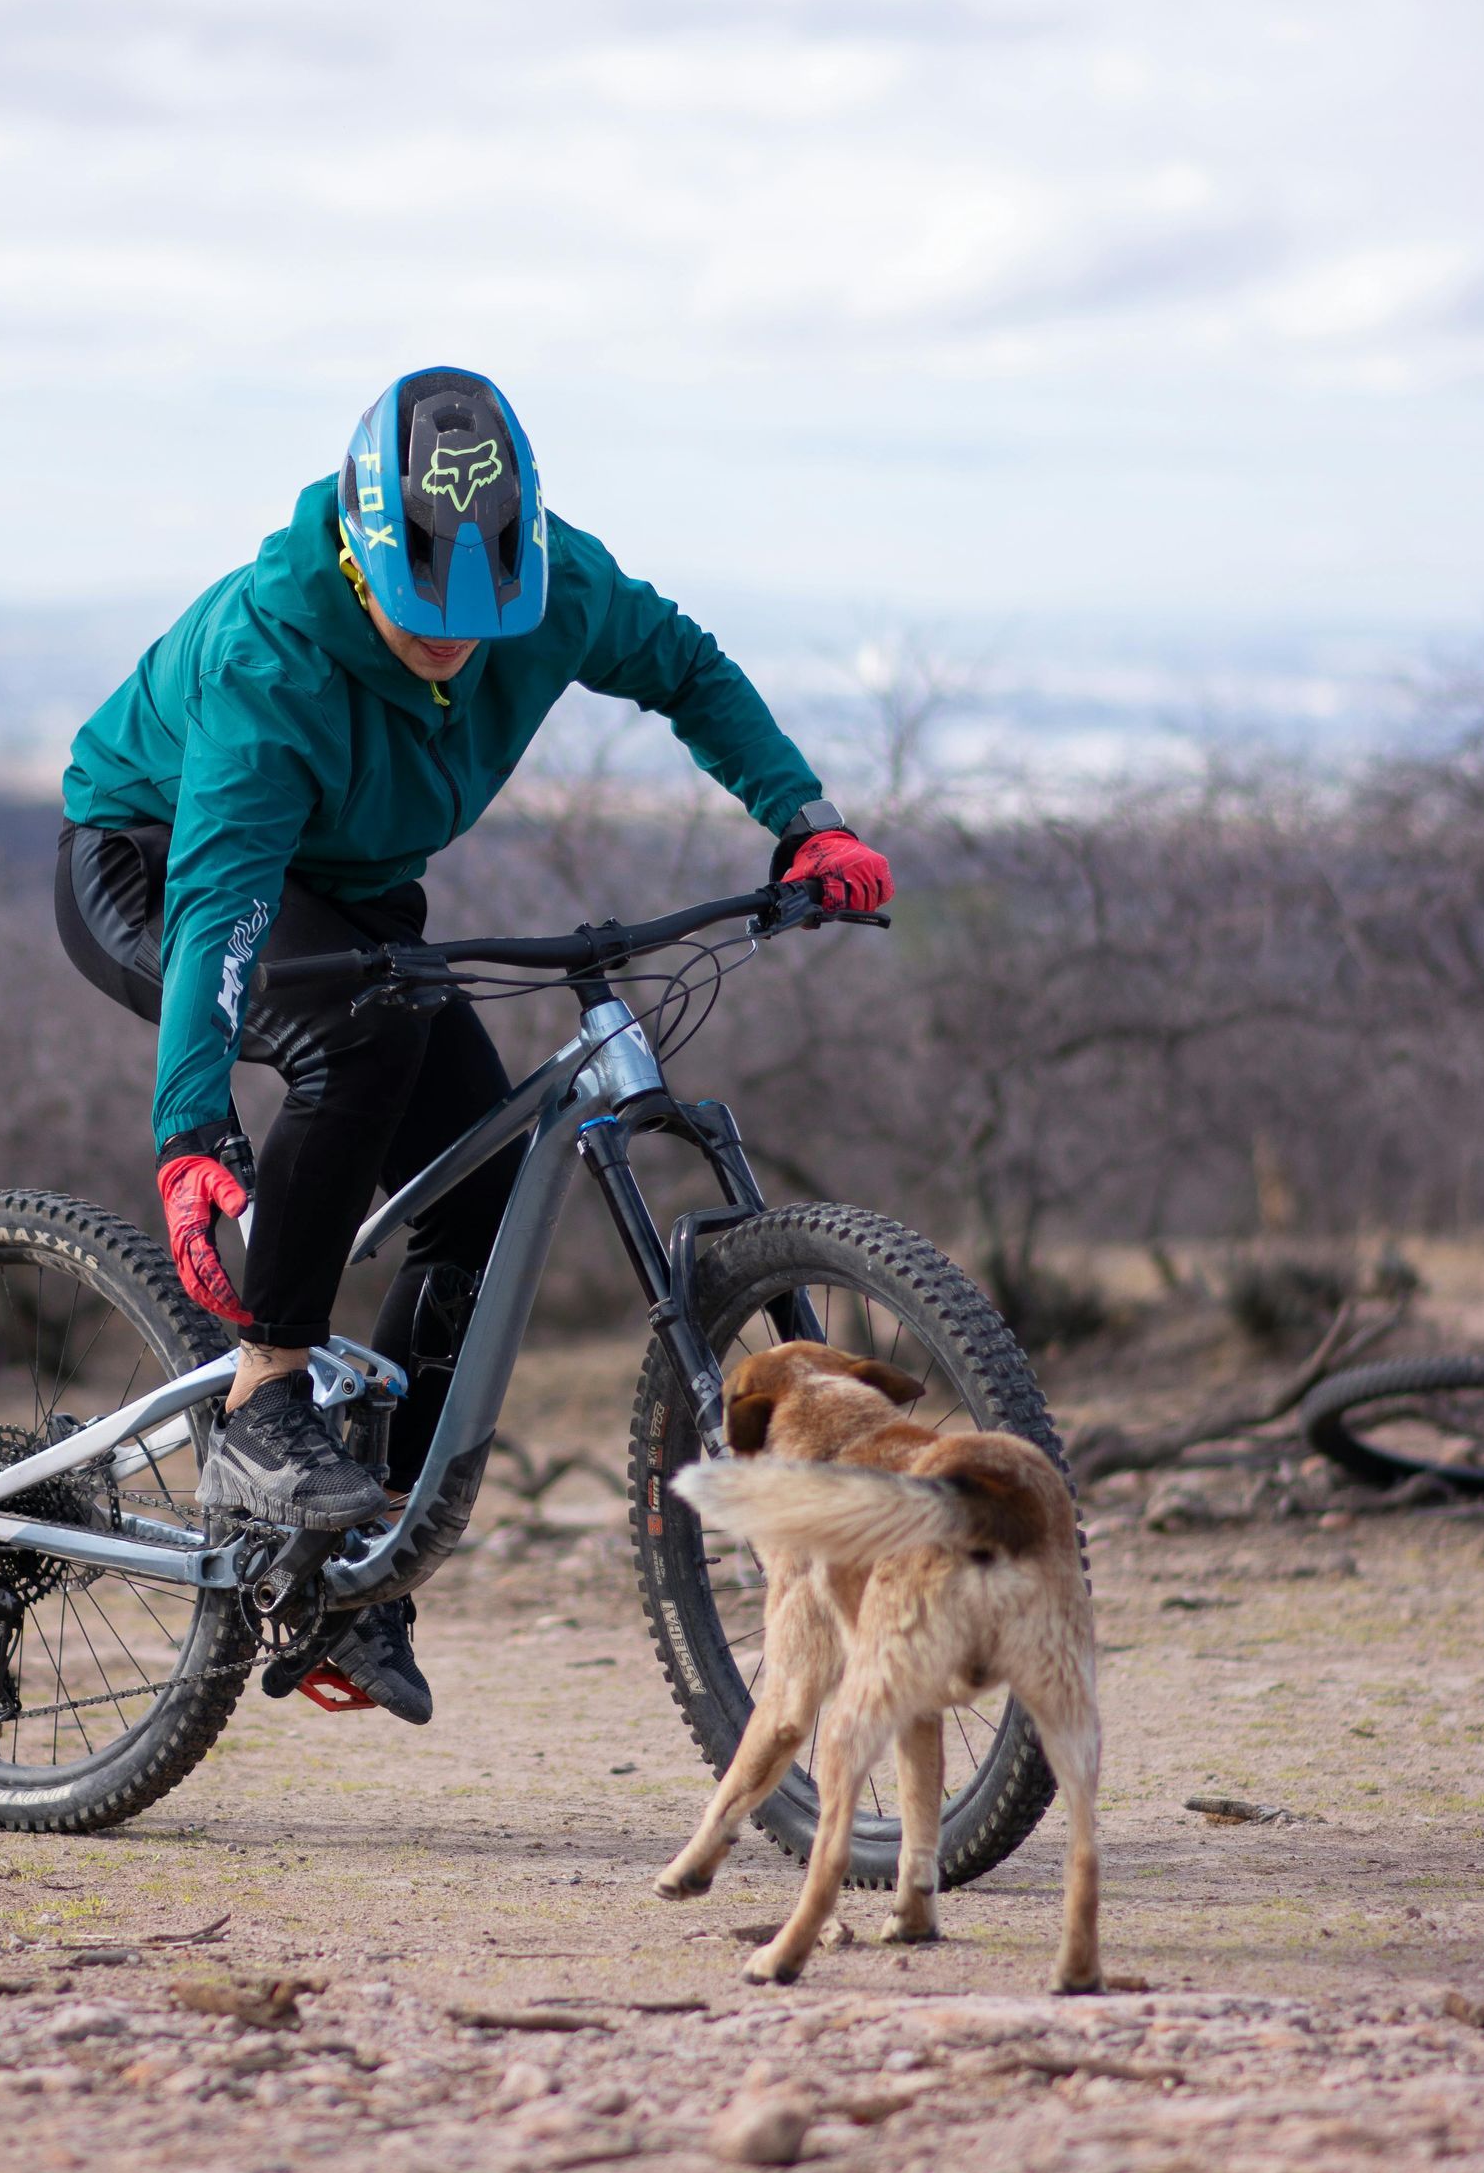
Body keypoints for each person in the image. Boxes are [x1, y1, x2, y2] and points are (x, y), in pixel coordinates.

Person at [56, 367, 892, 1724]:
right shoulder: (271, 655)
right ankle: (268, 1402)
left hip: (354, 887)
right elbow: (221, 903)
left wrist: (802, 816)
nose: (448, 645)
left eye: (476, 622)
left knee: (480, 1198)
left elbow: (683, 666)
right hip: (155, 864)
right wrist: (192, 1135)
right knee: (359, 1045)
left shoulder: (553, 591)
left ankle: (348, 1578)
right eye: (417, 615)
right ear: (357, 546)